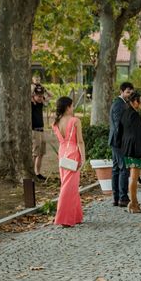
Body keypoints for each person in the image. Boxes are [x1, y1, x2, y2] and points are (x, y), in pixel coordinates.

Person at [52, 97, 85, 227]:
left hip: (62, 153)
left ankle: (76, 216)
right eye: (72, 106)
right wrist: (83, 157)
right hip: (73, 153)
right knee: (68, 186)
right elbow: (80, 141)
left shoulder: (55, 123)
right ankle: (63, 218)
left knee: (70, 185)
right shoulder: (75, 121)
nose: (73, 108)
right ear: (67, 107)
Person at [119, 91, 141, 213]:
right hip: (134, 149)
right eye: (140, 101)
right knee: (134, 177)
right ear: (135, 102)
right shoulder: (134, 115)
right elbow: (138, 136)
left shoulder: (125, 113)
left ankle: (134, 202)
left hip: (127, 148)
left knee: (132, 176)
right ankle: (133, 203)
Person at [109, 82, 134, 207]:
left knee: (116, 169)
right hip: (118, 141)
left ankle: (116, 198)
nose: (130, 94)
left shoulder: (123, 104)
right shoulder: (119, 105)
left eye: (131, 92)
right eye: (128, 92)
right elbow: (119, 125)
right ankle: (123, 198)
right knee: (124, 168)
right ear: (121, 92)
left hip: (116, 141)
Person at [31, 86, 48, 182]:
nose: (40, 98)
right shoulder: (31, 104)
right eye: (38, 96)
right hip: (34, 131)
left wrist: (44, 89)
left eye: (41, 96)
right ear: (34, 96)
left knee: (41, 153)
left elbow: (50, 96)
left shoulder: (41, 104)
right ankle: (32, 172)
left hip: (41, 130)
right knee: (35, 152)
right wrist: (33, 88)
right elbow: (29, 96)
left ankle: (37, 172)